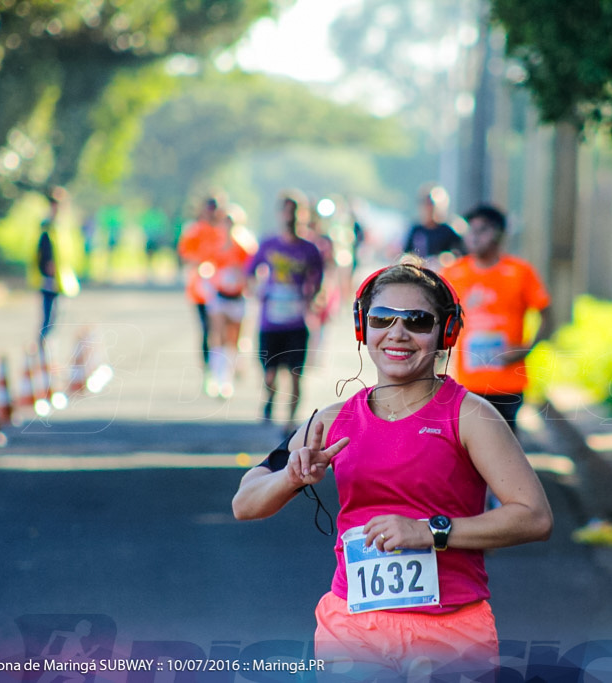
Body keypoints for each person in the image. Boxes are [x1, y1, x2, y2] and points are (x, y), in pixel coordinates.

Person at [232, 260, 553, 680]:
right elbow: (244, 502)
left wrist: (431, 531)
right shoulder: (332, 420)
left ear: (446, 331)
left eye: (418, 321)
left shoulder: (470, 415)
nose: (398, 334)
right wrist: (291, 476)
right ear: (363, 328)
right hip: (351, 627)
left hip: (451, 630)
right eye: (382, 319)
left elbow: (534, 516)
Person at [441, 204, 552, 434]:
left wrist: (526, 349)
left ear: (499, 234)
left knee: (504, 449)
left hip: (508, 383)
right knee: (470, 453)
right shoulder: (453, 273)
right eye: (470, 230)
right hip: (467, 383)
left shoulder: (520, 272)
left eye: (482, 230)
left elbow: (547, 316)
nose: (473, 236)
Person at [245, 191, 324, 429]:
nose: (291, 216)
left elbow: (319, 279)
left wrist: (311, 298)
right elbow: (250, 271)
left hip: (297, 322)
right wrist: (257, 292)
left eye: (296, 210)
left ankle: (290, 421)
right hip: (271, 321)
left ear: (304, 215)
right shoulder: (269, 244)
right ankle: (269, 400)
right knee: (270, 375)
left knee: (295, 375)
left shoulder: (310, 249)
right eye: (287, 210)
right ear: (280, 214)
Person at [203, 206, 258, 398]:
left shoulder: (245, 245)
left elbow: (252, 269)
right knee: (216, 335)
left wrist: (244, 278)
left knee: (232, 339)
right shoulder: (216, 243)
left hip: (238, 297)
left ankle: (227, 377)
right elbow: (207, 265)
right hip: (219, 295)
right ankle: (215, 376)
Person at [177, 197, 225, 389]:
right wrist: (200, 263)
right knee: (207, 329)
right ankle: (209, 368)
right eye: (208, 209)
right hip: (200, 290)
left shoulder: (224, 230)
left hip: (223, 289)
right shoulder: (194, 231)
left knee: (222, 329)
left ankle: (223, 365)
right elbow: (185, 255)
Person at [401, 184, 465, 266]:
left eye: (432, 204)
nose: (430, 208)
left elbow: (461, 255)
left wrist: (446, 258)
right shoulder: (416, 230)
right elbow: (406, 255)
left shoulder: (449, 231)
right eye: (427, 203)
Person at [34, 191, 62, 355]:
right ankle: (43, 344)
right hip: (48, 277)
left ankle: (46, 343)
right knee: (49, 314)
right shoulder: (47, 226)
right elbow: (43, 250)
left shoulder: (58, 225)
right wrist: (48, 266)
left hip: (58, 278)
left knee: (55, 315)